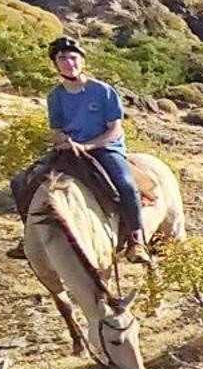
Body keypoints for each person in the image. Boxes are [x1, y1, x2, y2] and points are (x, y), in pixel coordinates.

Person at [9, 37, 148, 263]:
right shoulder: (56, 96)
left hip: (104, 148)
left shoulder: (102, 91)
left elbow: (114, 129)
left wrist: (89, 145)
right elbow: (56, 129)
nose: (69, 62)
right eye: (62, 58)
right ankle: (29, 236)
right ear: (55, 64)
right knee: (21, 181)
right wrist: (64, 140)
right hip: (70, 150)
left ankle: (136, 240)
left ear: (82, 61)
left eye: (73, 57)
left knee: (126, 184)